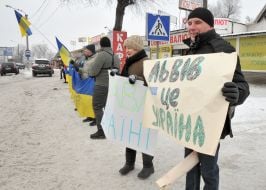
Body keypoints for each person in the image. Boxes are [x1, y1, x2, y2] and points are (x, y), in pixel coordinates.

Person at [182, 7, 250, 190]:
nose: (192, 26)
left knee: (208, 169)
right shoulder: (190, 50)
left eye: (197, 22)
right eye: (189, 22)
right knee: (190, 164)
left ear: (210, 25)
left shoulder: (224, 49)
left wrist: (236, 91)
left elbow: (243, 85)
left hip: (211, 122)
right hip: (190, 120)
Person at [118, 35, 154, 180]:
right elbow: (124, 81)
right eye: (126, 47)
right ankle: (129, 163)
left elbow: (152, 83)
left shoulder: (146, 62)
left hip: (143, 105)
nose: (127, 50)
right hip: (130, 105)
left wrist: (138, 80)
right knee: (129, 134)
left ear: (137, 48)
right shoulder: (128, 62)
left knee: (144, 137)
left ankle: (148, 166)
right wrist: (117, 77)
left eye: (130, 47)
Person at [87, 36, 120, 139]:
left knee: (97, 106)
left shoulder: (101, 55)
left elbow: (93, 71)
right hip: (113, 85)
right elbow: (118, 70)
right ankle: (110, 128)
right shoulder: (116, 56)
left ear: (101, 45)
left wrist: (90, 72)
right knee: (108, 107)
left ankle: (101, 131)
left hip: (101, 85)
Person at [75, 44, 97, 126]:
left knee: (92, 100)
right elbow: (85, 70)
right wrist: (77, 68)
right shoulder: (86, 59)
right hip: (85, 81)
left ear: (90, 51)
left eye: (86, 50)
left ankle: (95, 118)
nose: (84, 51)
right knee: (87, 99)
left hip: (92, 82)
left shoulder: (95, 59)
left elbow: (89, 71)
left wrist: (79, 69)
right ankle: (89, 115)